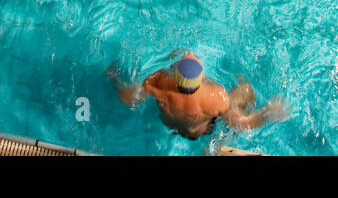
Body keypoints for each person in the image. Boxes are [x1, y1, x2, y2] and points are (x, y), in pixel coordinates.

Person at [109, 52, 289, 140]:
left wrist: (115, 78)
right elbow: (242, 124)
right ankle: (215, 148)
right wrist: (267, 114)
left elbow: (129, 98)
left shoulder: (158, 83)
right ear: (202, 77)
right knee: (246, 90)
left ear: (176, 76)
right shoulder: (217, 96)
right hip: (202, 130)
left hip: (173, 126)